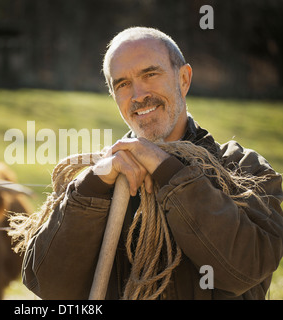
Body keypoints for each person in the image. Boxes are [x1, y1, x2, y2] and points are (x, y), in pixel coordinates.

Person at [21, 27, 283, 299]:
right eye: (122, 84)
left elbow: (246, 269)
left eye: (150, 74)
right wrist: (92, 189)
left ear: (183, 78)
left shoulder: (242, 169)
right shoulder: (100, 179)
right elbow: (49, 286)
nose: (138, 94)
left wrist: (168, 171)